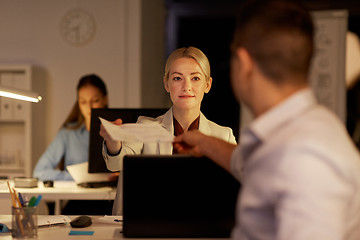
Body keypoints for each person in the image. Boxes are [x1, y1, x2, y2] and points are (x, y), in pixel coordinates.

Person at [173, 1, 360, 239]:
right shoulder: (298, 131)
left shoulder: (304, 156)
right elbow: (251, 163)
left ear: (244, 63)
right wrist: (205, 143)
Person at [100, 46, 237, 215]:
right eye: (177, 78)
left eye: (195, 78)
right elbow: (116, 163)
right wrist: (113, 140)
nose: (186, 87)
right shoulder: (144, 126)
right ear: (166, 83)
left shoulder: (224, 135)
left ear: (207, 85)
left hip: (204, 222)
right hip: (152, 220)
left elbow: (234, 187)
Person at [33, 74, 108, 181]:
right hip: (76, 196)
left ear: (105, 99)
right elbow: (39, 172)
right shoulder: (67, 133)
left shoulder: (116, 133)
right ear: (78, 103)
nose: (89, 107)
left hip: (109, 196)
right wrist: (77, 178)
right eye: (83, 102)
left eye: (95, 101)